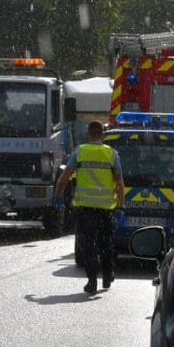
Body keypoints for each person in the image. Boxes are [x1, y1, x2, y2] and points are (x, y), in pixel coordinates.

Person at [53, 120, 125, 295]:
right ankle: (107, 275)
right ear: (102, 135)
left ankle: (92, 280)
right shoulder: (112, 154)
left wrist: (57, 197)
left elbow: (64, 177)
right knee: (106, 243)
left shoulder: (80, 152)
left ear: (88, 134)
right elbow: (119, 183)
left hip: (85, 208)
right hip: (106, 209)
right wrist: (121, 205)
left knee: (89, 245)